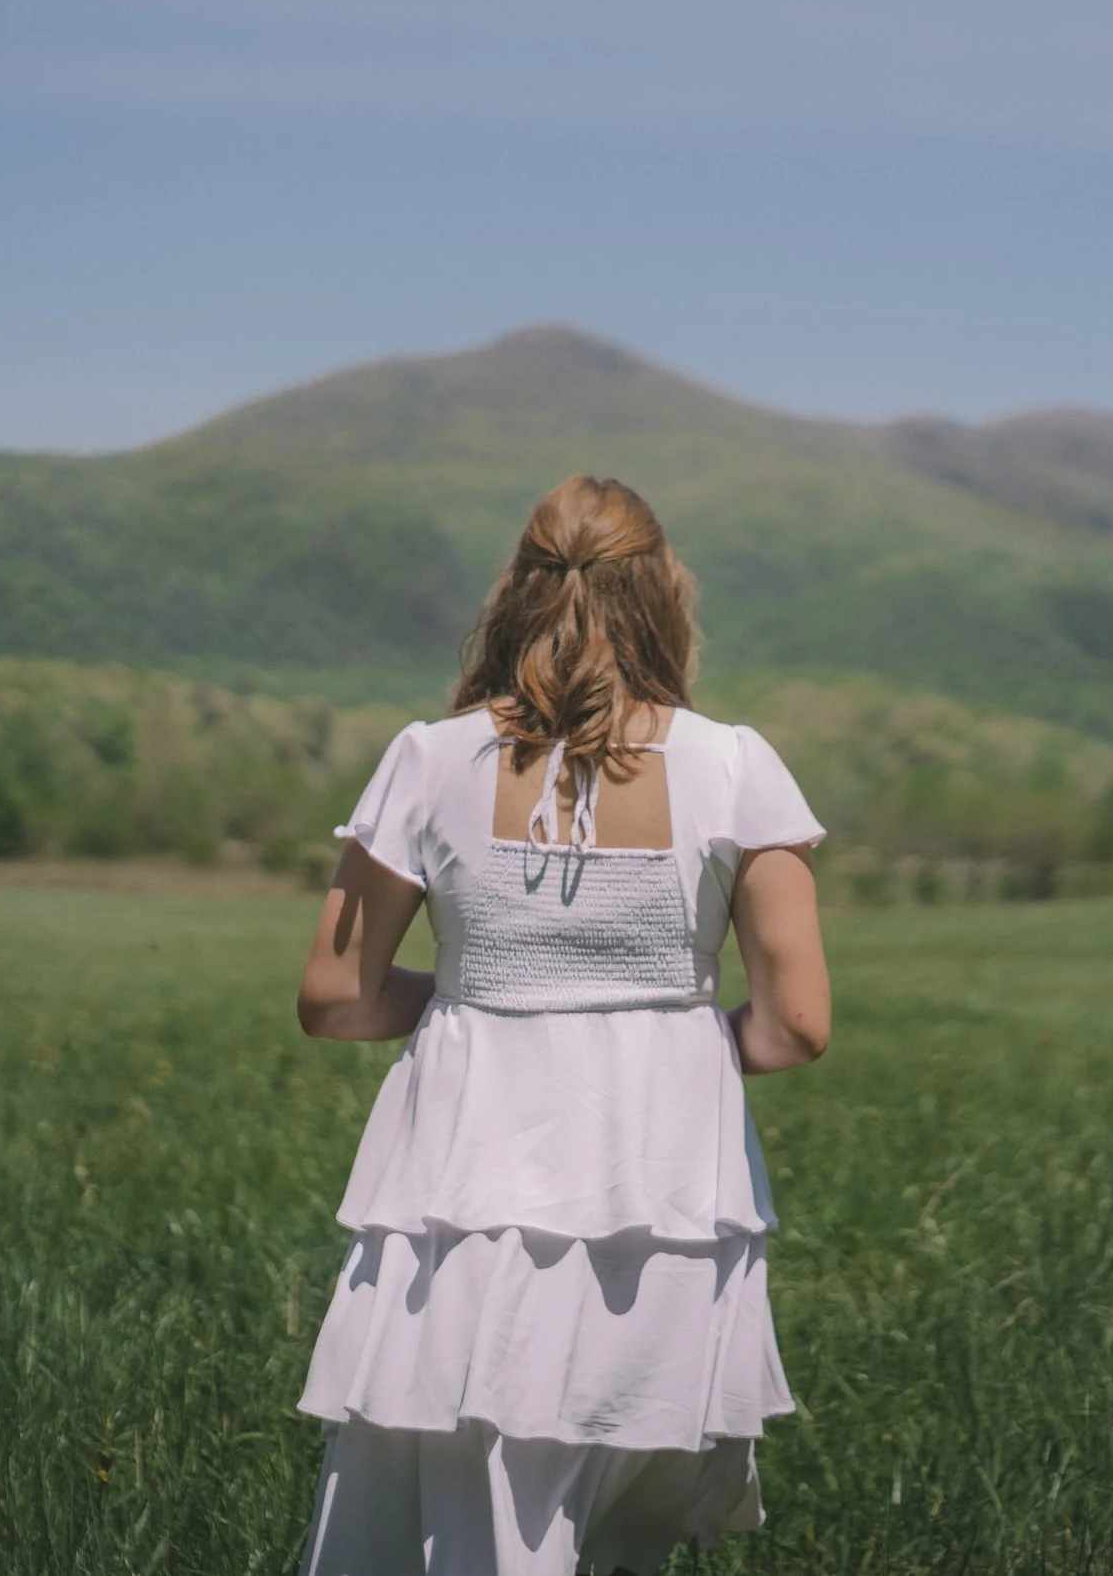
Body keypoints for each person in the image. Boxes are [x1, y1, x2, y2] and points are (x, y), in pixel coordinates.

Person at [292, 475, 833, 1575]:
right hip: (664, 1196)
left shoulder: (427, 760)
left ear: (516, 595)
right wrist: (664, 1032)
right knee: (611, 1528)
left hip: (459, 1184)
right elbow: (792, 1028)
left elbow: (337, 997)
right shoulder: (735, 766)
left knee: (452, 1514)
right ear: (664, 596)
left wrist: (472, 995)